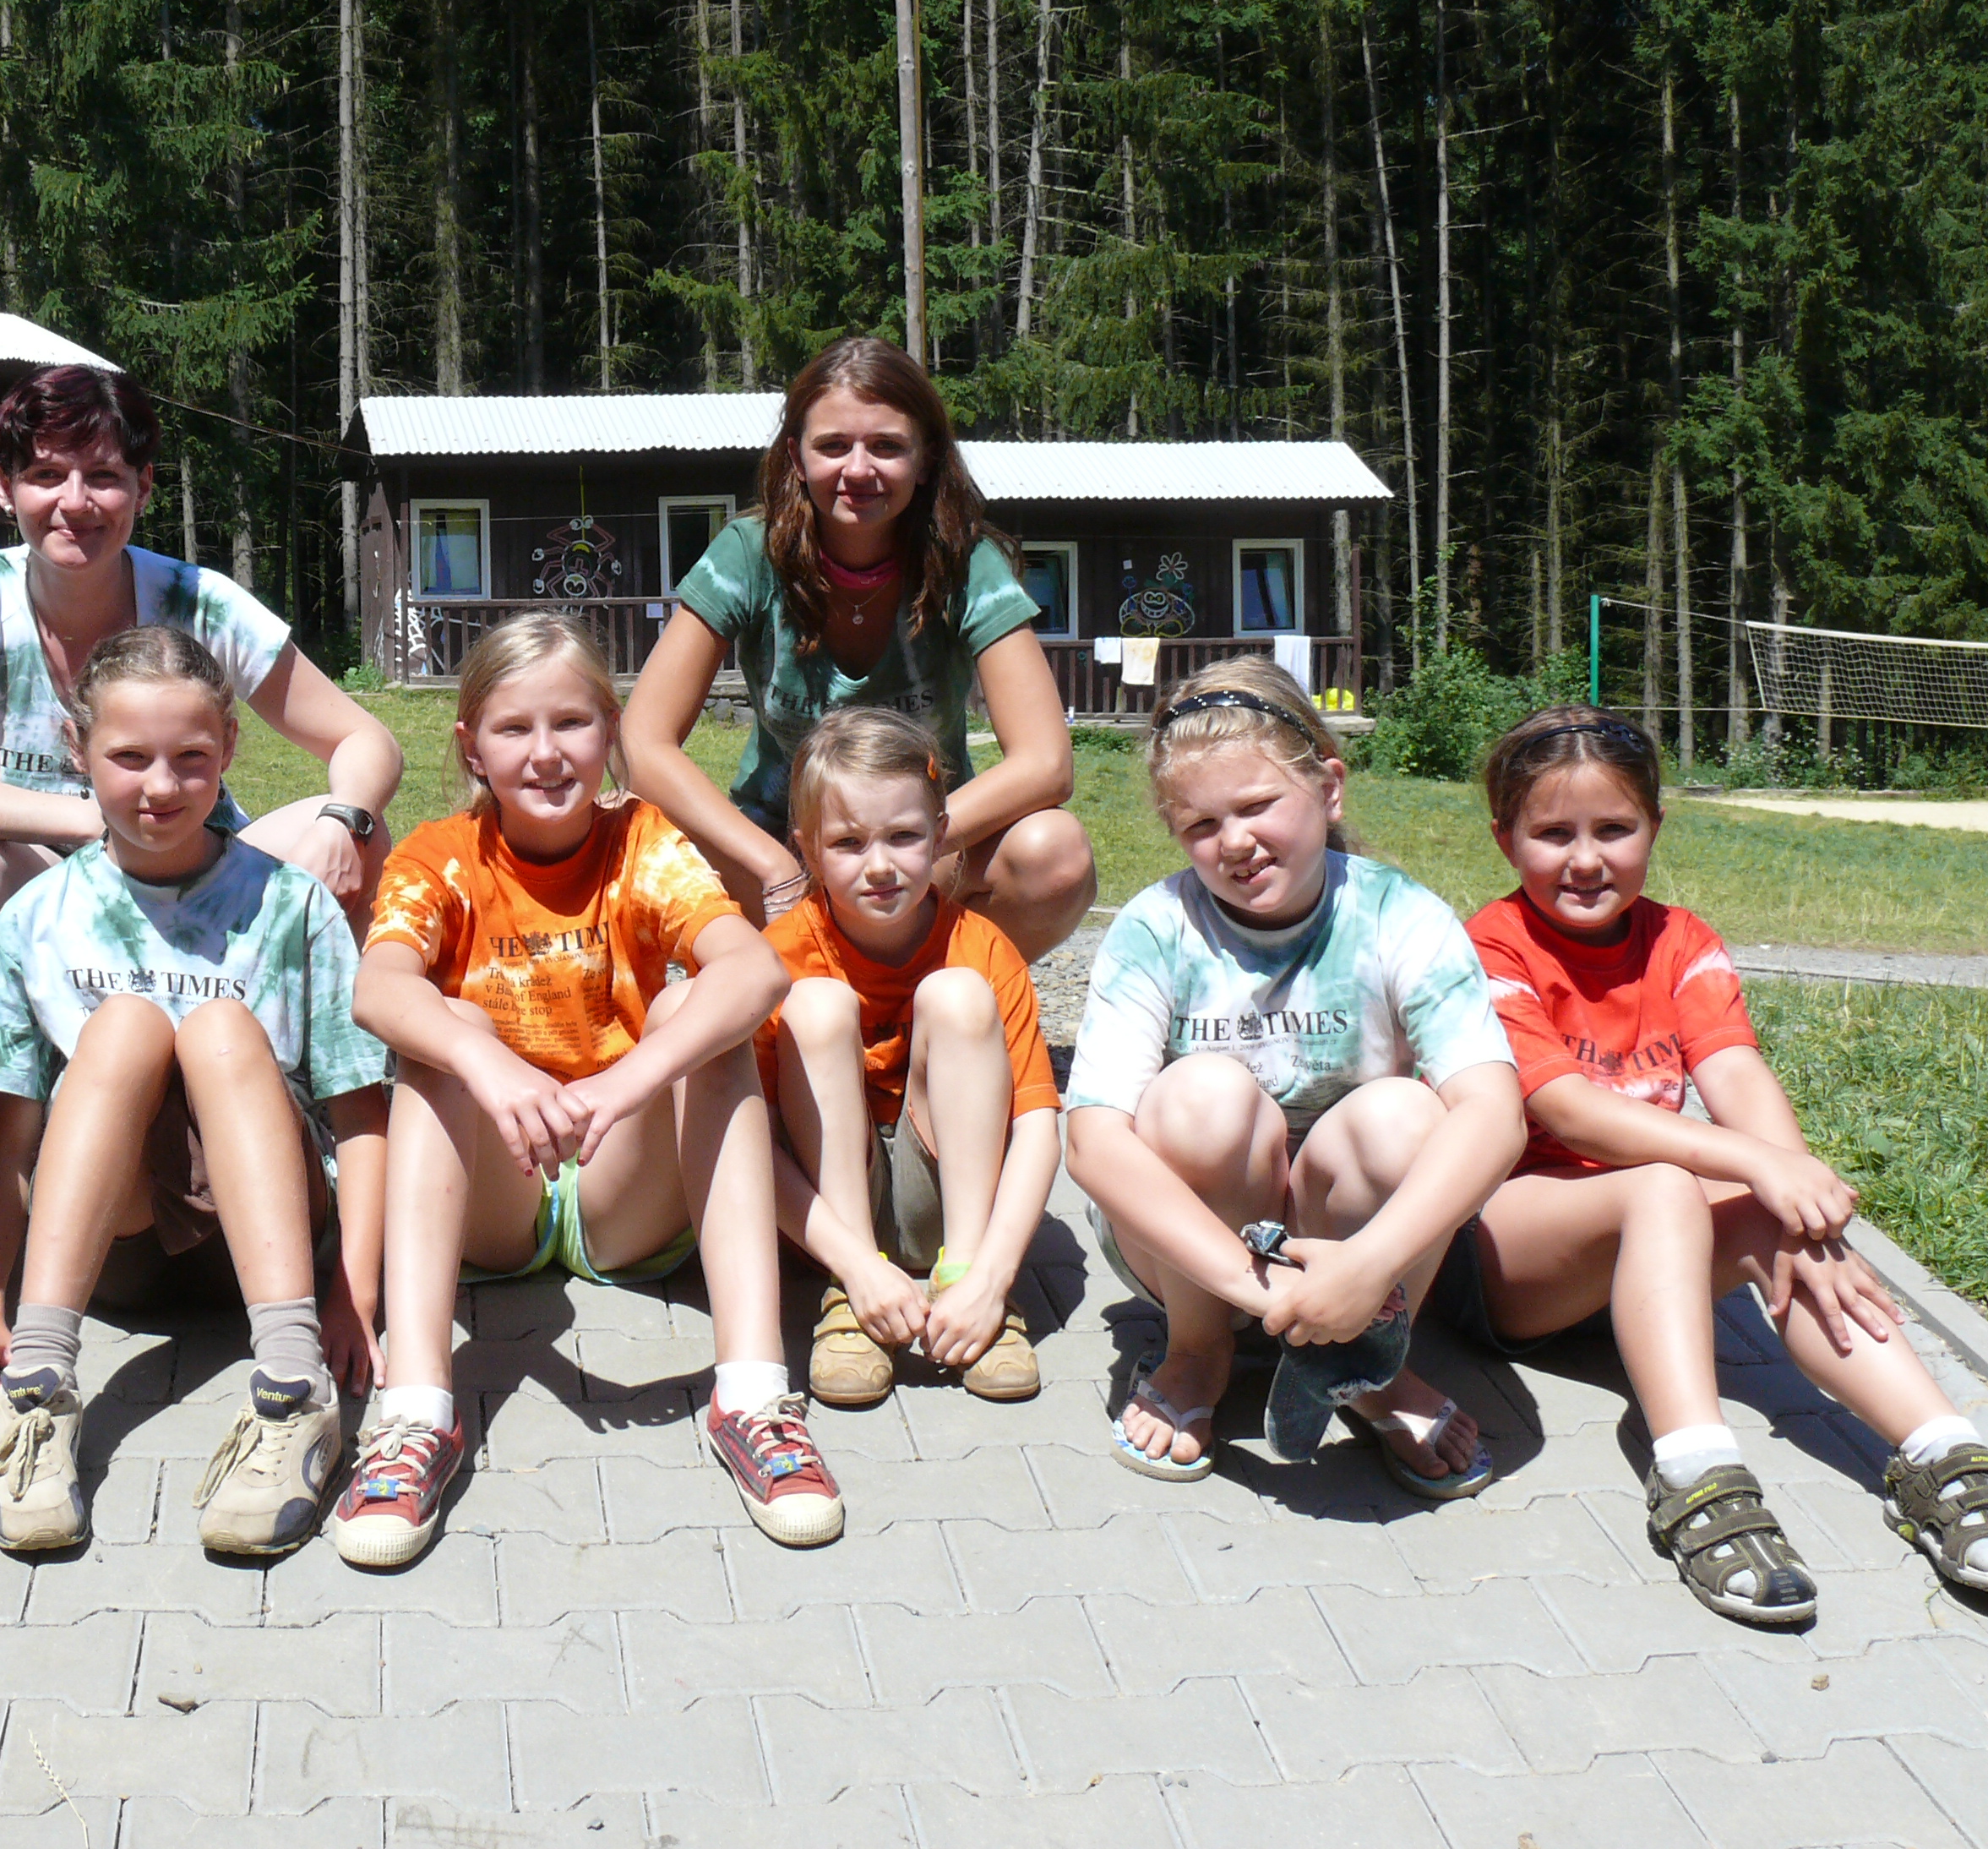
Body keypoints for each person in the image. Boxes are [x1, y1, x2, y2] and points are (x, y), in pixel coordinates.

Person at [1457, 706, 1988, 1623]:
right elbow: (1567, 1110)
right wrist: (1757, 1165)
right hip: (1515, 1260)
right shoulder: (1491, 944)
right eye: (1553, 835)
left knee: (1778, 1213)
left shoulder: (1680, 940)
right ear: (1506, 839)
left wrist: (1802, 1202)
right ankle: (1694, 1473)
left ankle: (1943, 1455)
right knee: (1678, 1179)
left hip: (1647, 1247)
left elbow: (1735, 1073)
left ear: (1655, 826)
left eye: (1614, 829)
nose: (1586, 860)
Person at [332, 614, 841, 1568]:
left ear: (610, 730)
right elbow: (378, 988)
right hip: (496, 1193)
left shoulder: (643, 837)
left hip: (623, 1182)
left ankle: (753, 1397)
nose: (546, 753)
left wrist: (628, 1081)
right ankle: (417, 1415)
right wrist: (487, 1060)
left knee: (697, 1012)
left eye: (571, 723)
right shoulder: (439, 854)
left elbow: (756, 970)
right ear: (471, 746)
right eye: (514, 728)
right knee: (446, 1029)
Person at [0, 626, 388, 1561]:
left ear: (229, 748)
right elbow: (8, 1136)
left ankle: (293, 1392)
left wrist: (353, 1299)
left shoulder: (293, 905)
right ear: (77, 750)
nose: (161, 786)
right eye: (129, 758)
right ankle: (39, 1389)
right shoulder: (37, 919)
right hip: (117, 1249)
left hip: (267, 1249)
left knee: (221, 1027)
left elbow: (361, 1115)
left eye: (191, 758)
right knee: (122, 1027)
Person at [1063, 657, 1526, 1496]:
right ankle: (1200, 1349)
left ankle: (1373, 1359)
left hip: (1354, 1242)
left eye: (1256, 806)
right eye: (1201, 824)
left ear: (1329, 790)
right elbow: (1093, 1144)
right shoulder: (1155, 929)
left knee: (1407, 1116)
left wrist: (1367, 1267)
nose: (1234, 842)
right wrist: (1263, 1288)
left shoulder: (1399, 915)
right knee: (1200, 1096)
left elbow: (1495, 1116)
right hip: (1194, 1254)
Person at [622, 335, 1093, 963]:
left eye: (887, 446)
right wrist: (777, 865)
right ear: (796, 456)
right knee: (631, 837)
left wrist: (902, 845)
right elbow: (641, 745)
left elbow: (1046, 763)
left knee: (1054, 853)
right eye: (833, 446)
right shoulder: (747, 554)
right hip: (777, 847)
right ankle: (780, 985)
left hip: (922, 853)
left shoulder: (965, 562)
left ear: (925, 458)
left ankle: (934, 996)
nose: (859, 470)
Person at [0, 363, 402, 917]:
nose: (75, 501)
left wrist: (346, 817)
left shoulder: (197, 600)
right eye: (47, 475)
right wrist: (93, 818)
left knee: (358, 836)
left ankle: (347, 978)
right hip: (48, 875)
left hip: (208, 871)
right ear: (5, 487)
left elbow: (367, 740)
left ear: (143, 486)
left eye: (102, 476)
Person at [760, 709, 1061, 1407]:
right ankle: (850, 1298)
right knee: (815, 1005)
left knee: (958, 994)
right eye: (848, 843)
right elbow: (753, 1143)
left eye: (904, 836)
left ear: (941, 834)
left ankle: (967, 1288)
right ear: (807, 850)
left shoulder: (983, 946)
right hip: (830, 1219)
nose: (880, 866)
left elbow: (1039, 1127)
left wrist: (993, 1276)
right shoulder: (780, 952)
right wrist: (855, 1263)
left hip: (949, 1206)